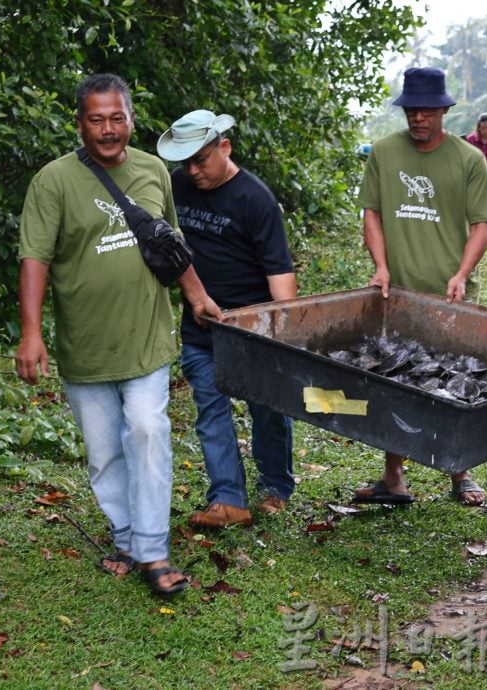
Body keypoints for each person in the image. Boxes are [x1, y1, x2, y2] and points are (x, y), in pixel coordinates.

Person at [15, 74, 223, 597]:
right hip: (85, 342)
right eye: (96, 119)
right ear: (80, 122)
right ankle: (126, 536)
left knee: (148, 430)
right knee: (104, 452)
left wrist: (196, 296)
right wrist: (31, 333)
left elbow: (168, 245)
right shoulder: (53, 181)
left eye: (117, 118)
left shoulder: (154, 171)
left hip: (147, 336)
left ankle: (153, 550)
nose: (108, 130)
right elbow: (35, 258)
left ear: (131, 119)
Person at [352, 67, 487, 507]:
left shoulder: (468, 160)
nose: (418, 118)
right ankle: (393, 476)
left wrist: (460, 274)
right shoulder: (383, 152)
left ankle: (460, 471)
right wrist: (381, 266)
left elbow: (481, 226)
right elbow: (372, 213)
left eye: (427, 110)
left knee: (453, 382)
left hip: (449, 293)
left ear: (444, 110)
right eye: (411, 109)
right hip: (394, 294)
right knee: (395, 380)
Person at [156, 110, 298, 529]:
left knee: (268, 409)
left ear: (225, 147)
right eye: (186, 163)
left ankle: (275, 486)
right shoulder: (177, 187)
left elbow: (280, 275)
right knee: (210, 410)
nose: (194, 171)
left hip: (254, 333)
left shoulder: (255, 199)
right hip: (202, 330)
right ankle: (228, 499)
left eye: (202, 159)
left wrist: (286, 338)